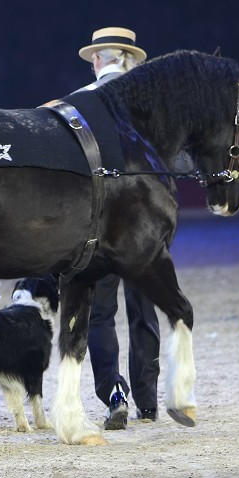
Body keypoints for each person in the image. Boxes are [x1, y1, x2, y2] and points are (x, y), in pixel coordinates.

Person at [75, 27, 162, 430]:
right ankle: (148, 402)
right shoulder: (151, 105)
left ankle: (114, 394)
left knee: (100, 315)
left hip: (100, 224)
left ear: (97, 60)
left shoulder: (80, 102)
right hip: (143, 226)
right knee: (143, 310)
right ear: (129, 60)